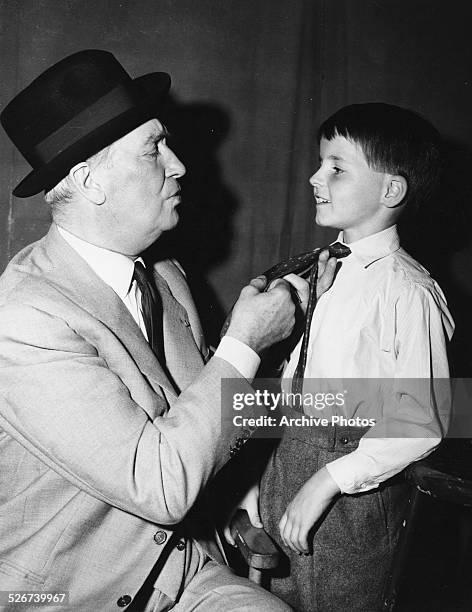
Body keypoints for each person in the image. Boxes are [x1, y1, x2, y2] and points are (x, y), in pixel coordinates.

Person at [0, 49, 337, 611]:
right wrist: (246, 343)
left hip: (182, 568)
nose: (178, 164)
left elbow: (216, 409)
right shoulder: (23, 317)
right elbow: (159, 485)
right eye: (154, 147)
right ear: (88, 181)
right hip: (68, 592)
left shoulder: (164, 274)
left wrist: (400, 405)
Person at [229, 103, 455, 611]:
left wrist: (325, 483)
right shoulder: (315, 270)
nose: (314, 176)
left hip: (351, 497)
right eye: (319, 162)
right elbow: (282, 385)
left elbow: (421, 419)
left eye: (336, 166)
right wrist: (248, 478)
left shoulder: (409, 292)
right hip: (279, 467)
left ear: (391, 190)